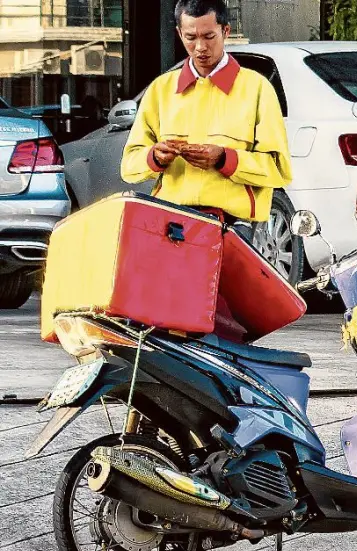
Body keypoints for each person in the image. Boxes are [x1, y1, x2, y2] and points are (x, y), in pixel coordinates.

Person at [120, 0, 293, 341]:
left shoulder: (256, 89)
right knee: (166, 325)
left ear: (226, 31)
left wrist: (224, 159)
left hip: (232, 229)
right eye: (191, 37)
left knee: (221, 328)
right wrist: (156, 156)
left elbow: (279, 168)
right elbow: (129, 166)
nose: (200, 47)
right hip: (172, 227)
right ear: (179, 34)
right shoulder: (161, 91)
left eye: (209, 36)